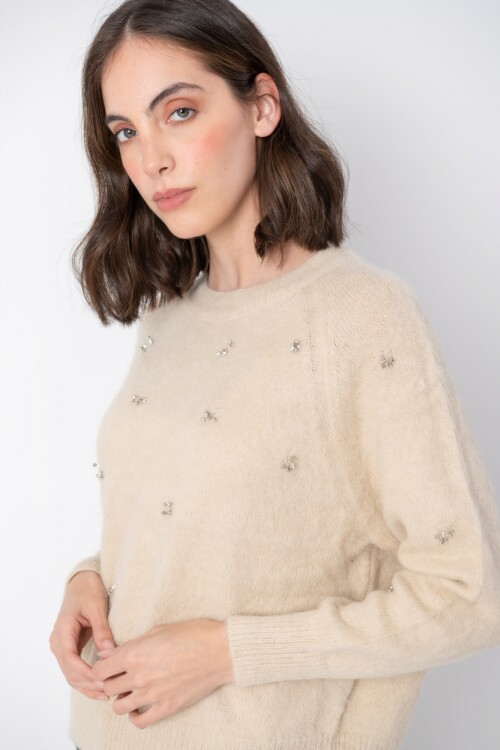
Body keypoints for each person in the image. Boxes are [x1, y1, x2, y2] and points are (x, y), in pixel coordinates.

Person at [49, 1, 500, 748]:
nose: (151, 160)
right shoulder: (169, 320)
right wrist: (87, 579)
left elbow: (468, 593)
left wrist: (227, 652)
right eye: (125, 131)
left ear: (262, 106)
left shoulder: (361, 317)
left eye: (179, 112)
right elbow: (196, 527)